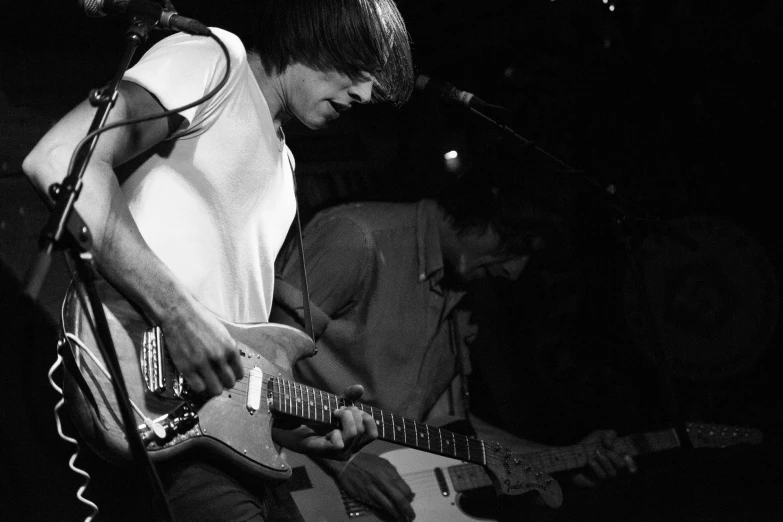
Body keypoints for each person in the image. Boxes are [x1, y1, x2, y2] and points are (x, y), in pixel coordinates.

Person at [22, 0, 413, 520]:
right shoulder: (216, 60)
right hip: (153, 403)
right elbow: (61, 157)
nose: (365, 95)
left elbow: (237, 348)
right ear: (314, 31)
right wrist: (178, 314)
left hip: (218, 439)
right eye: (359, 69)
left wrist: (294, 427)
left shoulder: (285, 166)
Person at [270, 173, 637, 521]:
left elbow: (448, 427)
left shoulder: (463, 293)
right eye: (516, 246)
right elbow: (264, 365)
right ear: (482, 214)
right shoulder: (355, 237)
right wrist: (342, 462)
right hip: (296, 475)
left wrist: (560, 460)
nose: (515, 271)